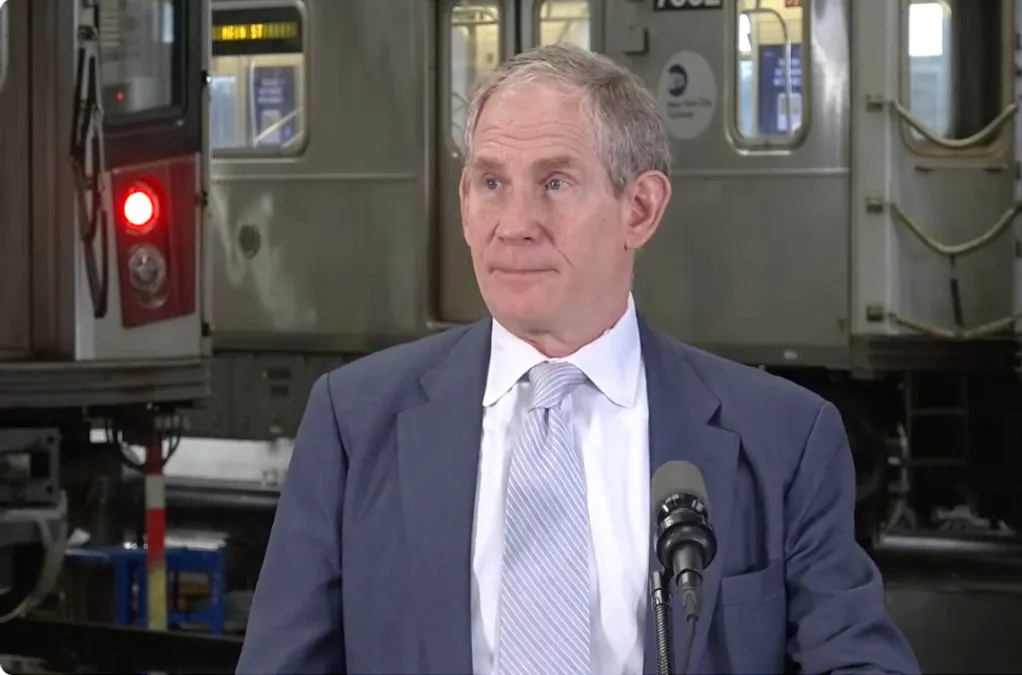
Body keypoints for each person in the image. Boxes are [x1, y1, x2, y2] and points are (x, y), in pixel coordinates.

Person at [236, 43, 920, 675]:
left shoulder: (783, 440)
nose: (515, 223)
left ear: (641, 208)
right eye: (491, 183)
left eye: (555, 183)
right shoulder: (353, 422)